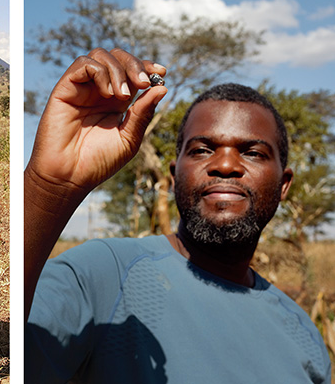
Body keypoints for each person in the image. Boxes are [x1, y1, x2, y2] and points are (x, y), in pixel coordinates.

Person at [24, 48, 331, 383]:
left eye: (253, 152)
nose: (225, 165)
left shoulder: (305, 336)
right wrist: (49, 186)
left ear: (284, 184)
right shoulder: (99, 274)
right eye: (201, 150)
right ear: (173, 176)